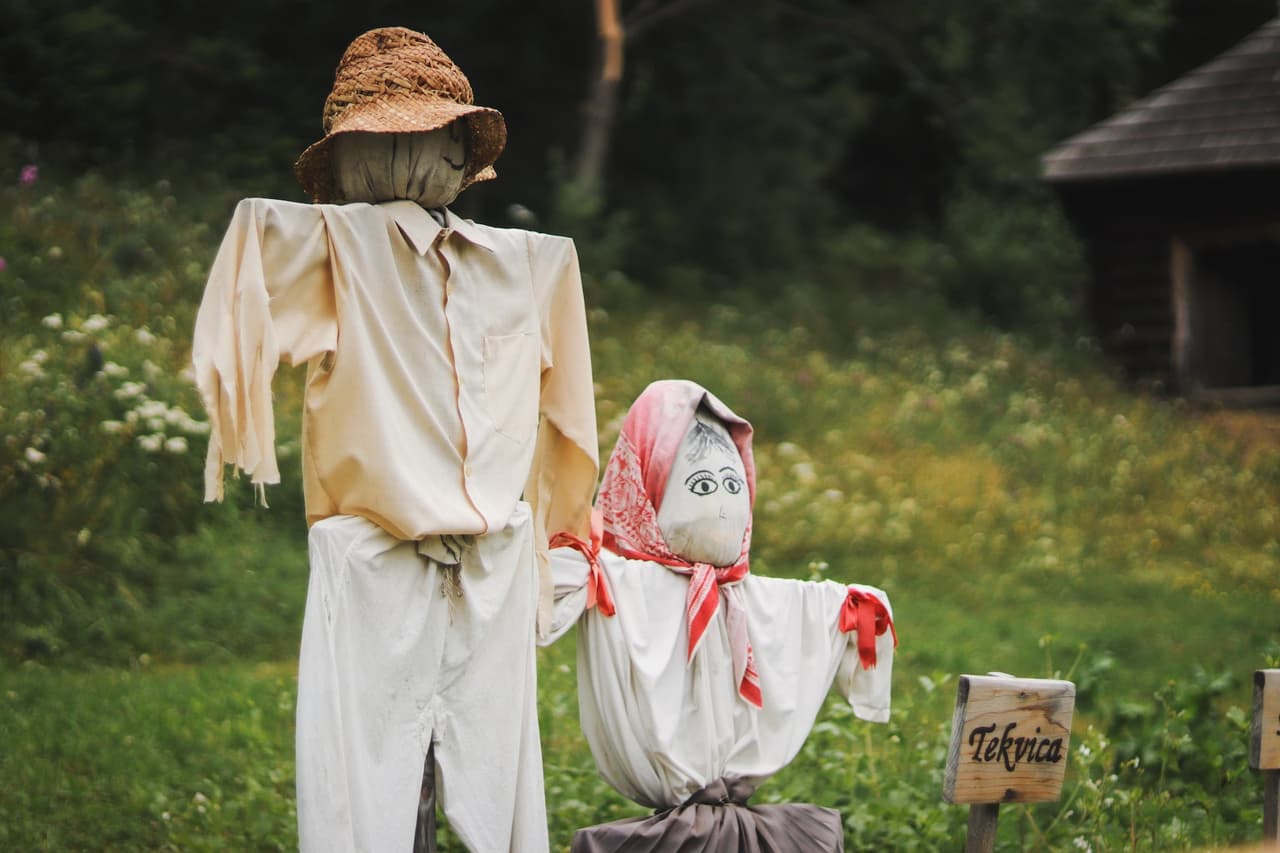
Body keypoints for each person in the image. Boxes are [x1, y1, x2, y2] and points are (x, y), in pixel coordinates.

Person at [190, 26, 598, 852]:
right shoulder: (335, 248)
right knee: (360, 778)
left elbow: (570, 417)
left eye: (429, 136)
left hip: (491, 560)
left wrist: (562, 530)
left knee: (500, 780)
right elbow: (251, 249)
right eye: (390, 139)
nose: (413, 156)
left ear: (456, 147)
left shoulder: (532, 265)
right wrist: (244, 429)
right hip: (375, 555)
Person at [543, 379, 895, 852]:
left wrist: (851, 608)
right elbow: (546, 585)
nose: (724, 506)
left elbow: (825, 608)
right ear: (646, 487)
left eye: (733, 486)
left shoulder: (745, 596)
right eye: (703, 486)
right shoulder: (618, 580)